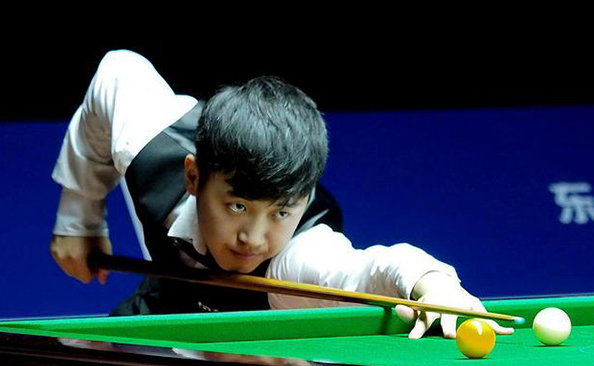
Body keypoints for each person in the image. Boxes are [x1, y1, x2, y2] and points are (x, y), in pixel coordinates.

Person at [50, 50, 513, 339]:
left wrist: (434, 286)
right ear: (194, 176)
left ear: (304, 198)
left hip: (258, 355)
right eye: (237, 206)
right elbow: (117, 72)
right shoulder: (153, 148)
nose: (253, 238)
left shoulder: (300, 255)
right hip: (163, 303)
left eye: (280, 212)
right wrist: (79, 218)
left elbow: (369, 270)